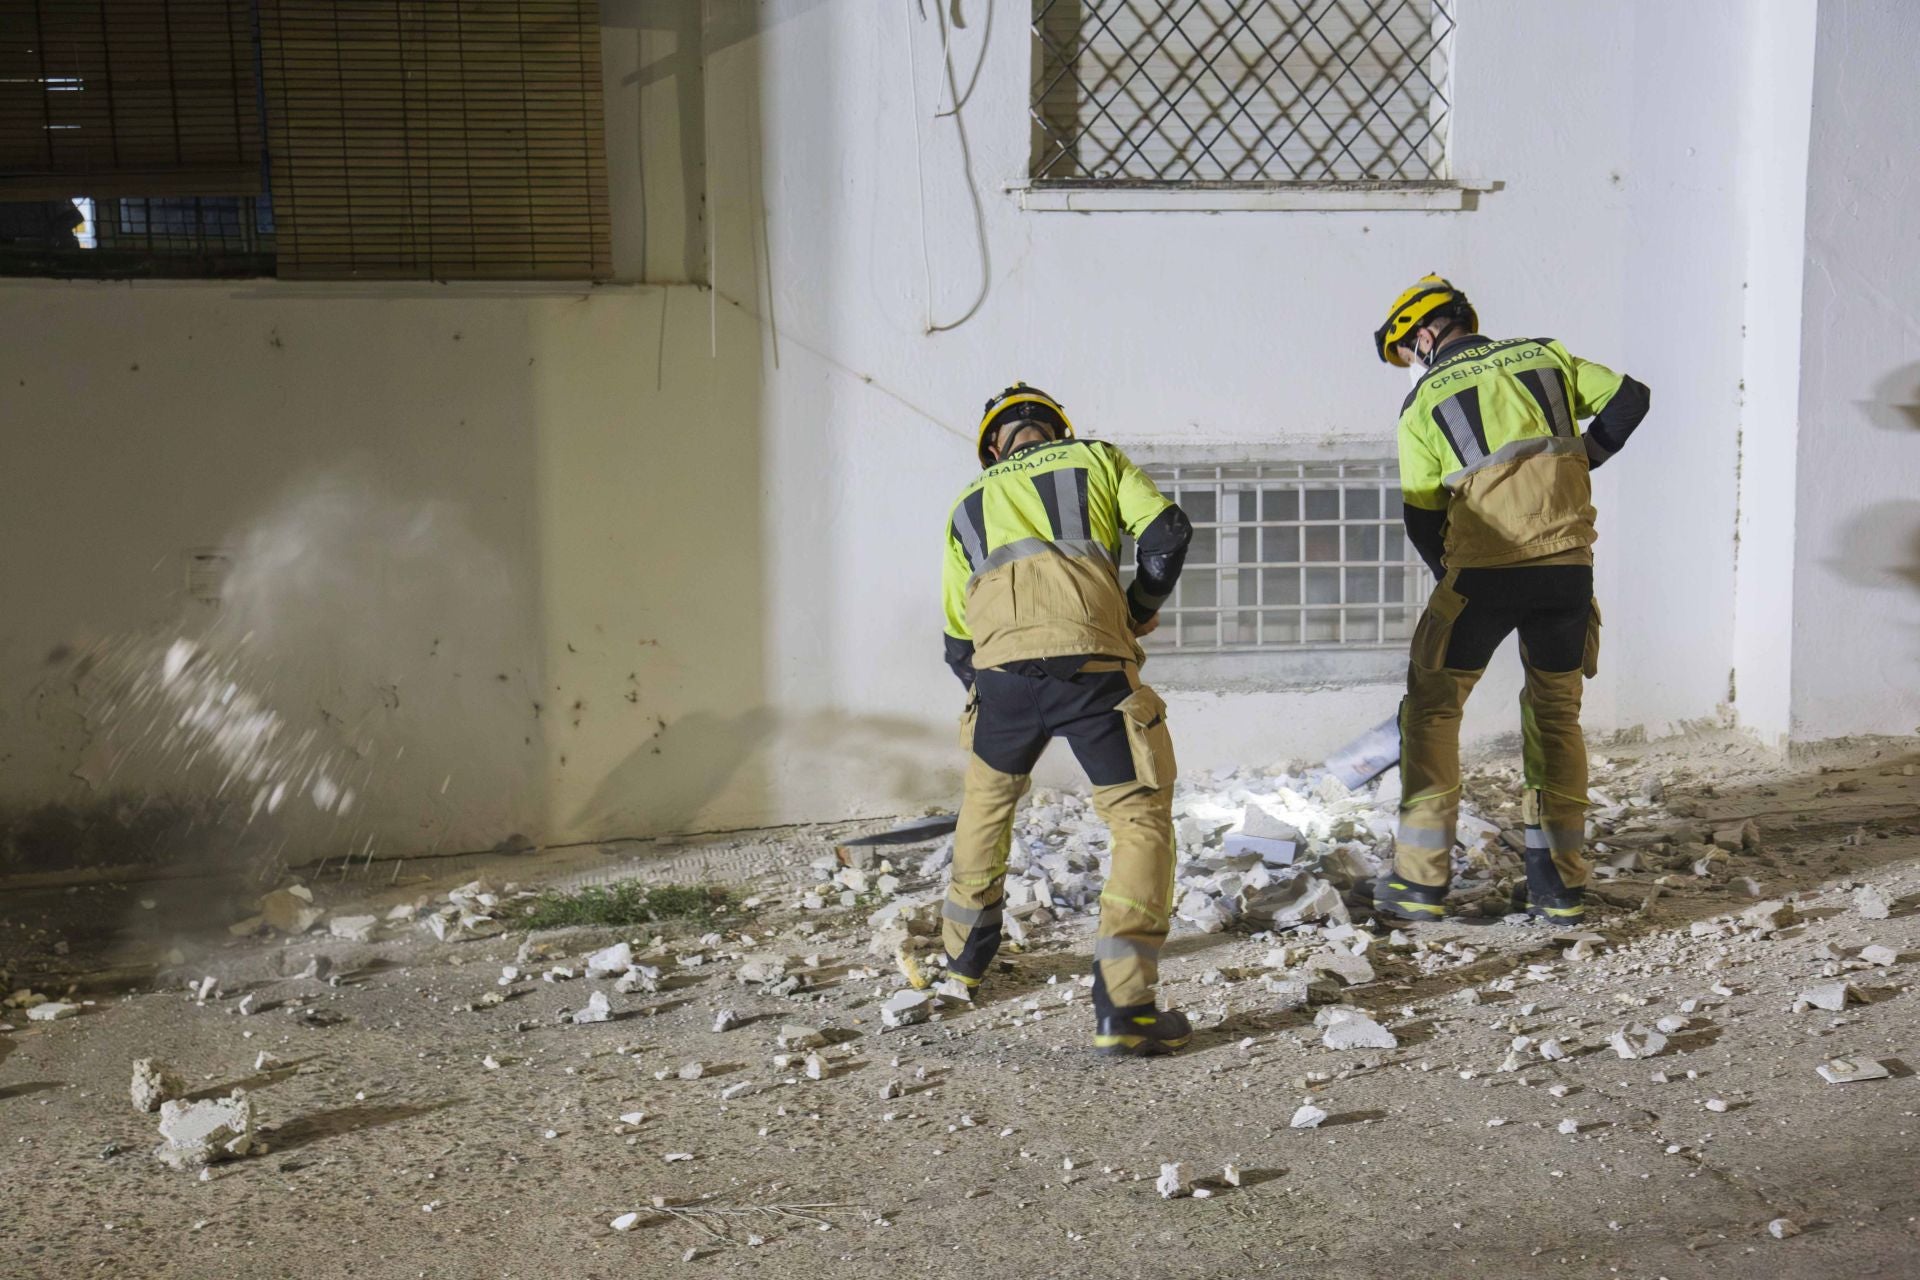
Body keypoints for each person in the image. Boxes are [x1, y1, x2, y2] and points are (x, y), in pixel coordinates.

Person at [1370, 277, 1651, 925]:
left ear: (1426, 334)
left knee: (1433, 712)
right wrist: (1583, 459)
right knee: (1555, 716)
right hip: (1567, 575)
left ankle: (1418, 884)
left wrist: (1454, 574)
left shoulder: (1421, 407)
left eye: (1408, 350)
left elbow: (1421, 516)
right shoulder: (1544, 356)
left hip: (1484, 576)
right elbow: (1630, 399)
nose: (1411, 363)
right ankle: (1559, 888)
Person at [932, 382, 1195, 1056]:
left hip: (1001, 681)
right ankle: (1123, 1006)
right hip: (1090, 671)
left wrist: (999, 691)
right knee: (1137, 817)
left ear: (993, 445)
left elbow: (956, 643)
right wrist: (1137, 606)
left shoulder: (968, 503)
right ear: (1056, 428)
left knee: (986, 805)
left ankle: (963, 960)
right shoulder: (1094, 459)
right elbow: (1167, 532)